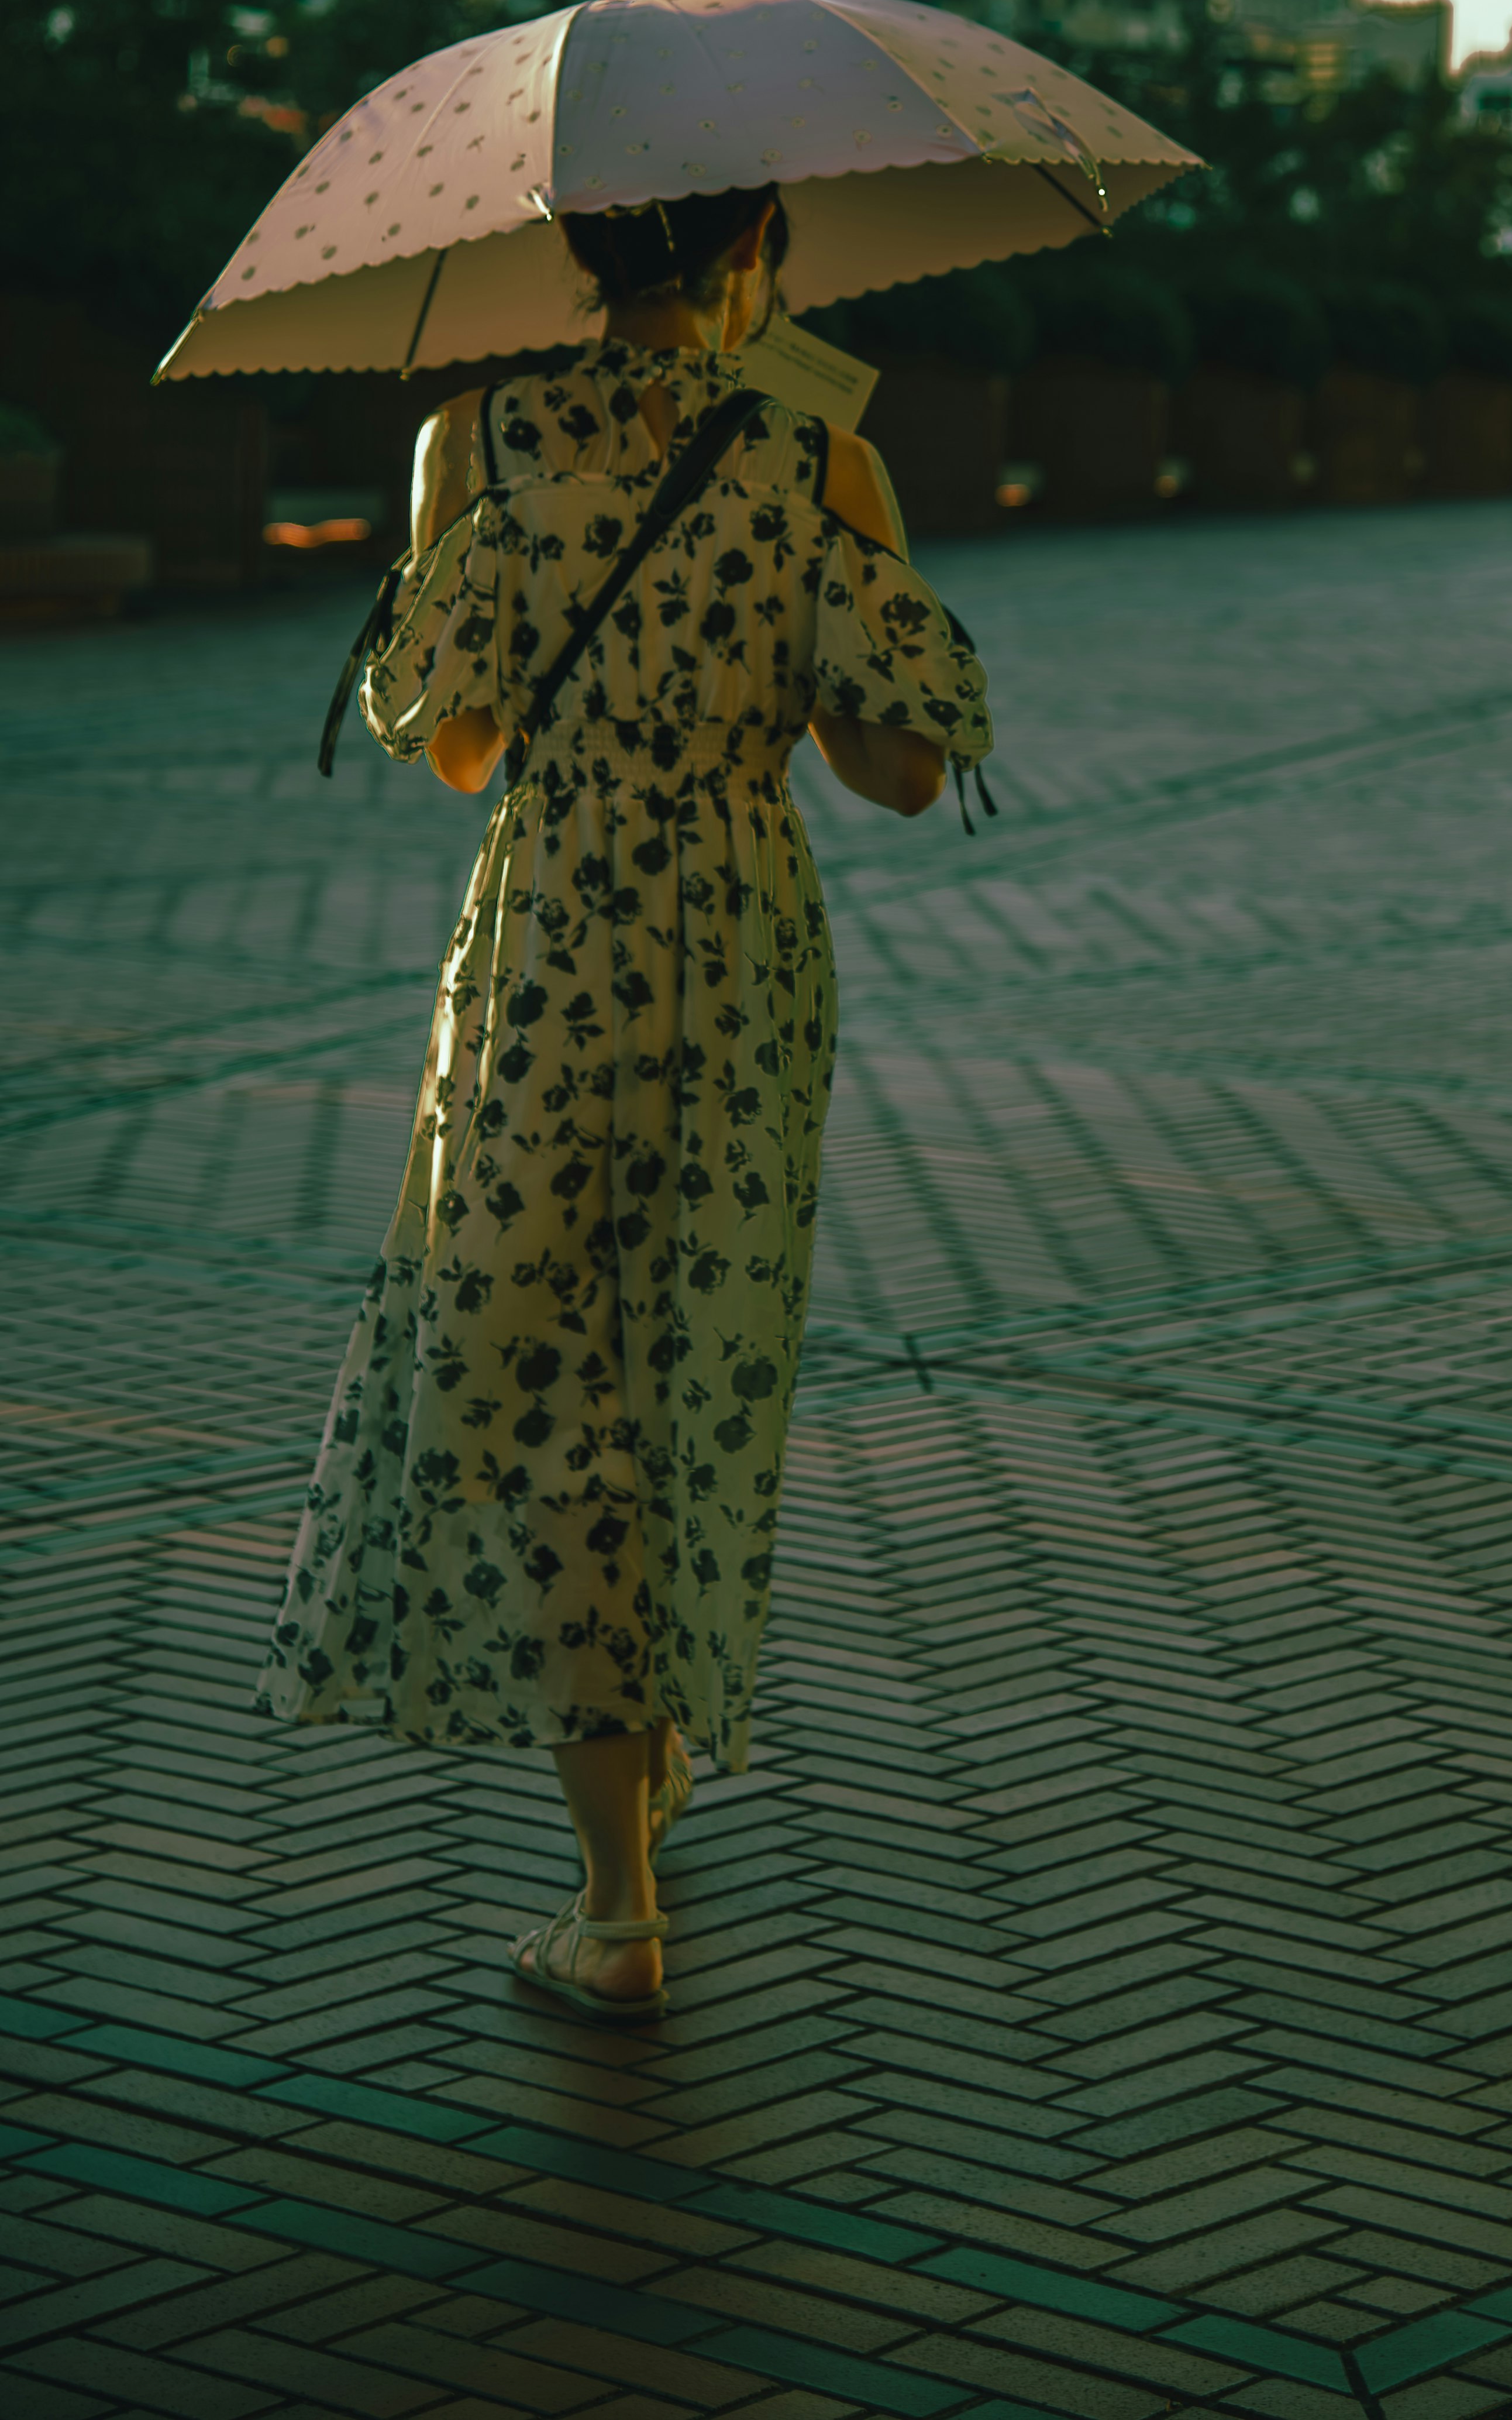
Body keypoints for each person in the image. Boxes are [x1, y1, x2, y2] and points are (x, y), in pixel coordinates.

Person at [256, 181, 993, 2022]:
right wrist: (788, 631)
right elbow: (901, 770)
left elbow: (456, 747)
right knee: (694, 1349)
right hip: (739, 950)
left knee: (547, 1373)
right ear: (753, 260)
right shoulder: (821, 458)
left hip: (549, 942)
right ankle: (642, 1765)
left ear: (582, 255)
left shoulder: (475, 440)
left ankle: (615, 1895)